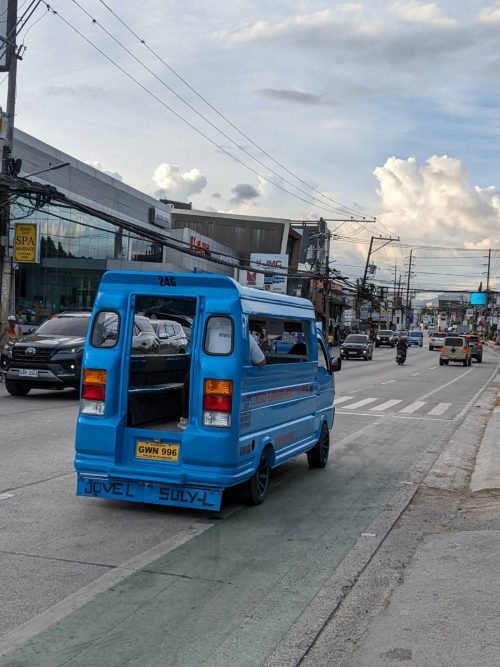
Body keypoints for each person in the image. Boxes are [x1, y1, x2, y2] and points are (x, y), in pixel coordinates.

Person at [177, 331, 265, 430]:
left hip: (206, 370)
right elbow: (261, 361)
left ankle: (186, 418)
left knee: (190, 380)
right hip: (231, 377)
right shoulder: (247, 337)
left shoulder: (209, 332)